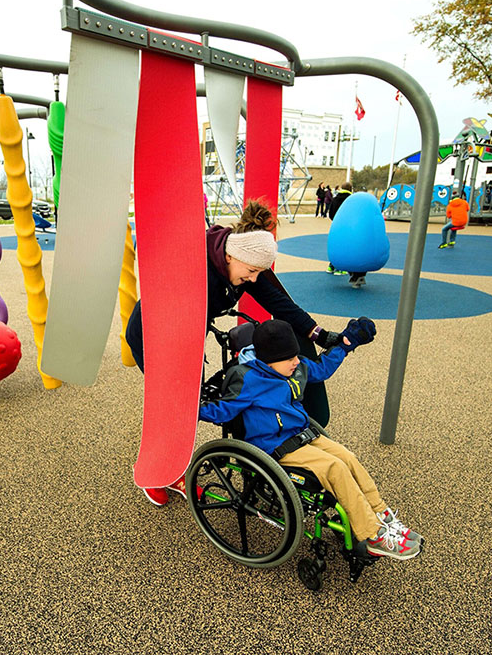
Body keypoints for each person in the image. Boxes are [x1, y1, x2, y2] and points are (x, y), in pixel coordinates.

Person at [126, 200, 342, 506]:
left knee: (189, 403)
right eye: (251, 272)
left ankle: (175, 464)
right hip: (155, 338)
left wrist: (317, 333)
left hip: (188, 338)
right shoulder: (195, 265)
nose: (253, 279)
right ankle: (155, 471)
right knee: (170, 405)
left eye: (258, 273)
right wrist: (177, 371)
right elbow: (164, 302)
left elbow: (280, 303)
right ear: (229, 256)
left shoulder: (244, 263)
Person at [199, 318, 422, 561]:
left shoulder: (294, 366)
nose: (297, 362)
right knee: (335, 468)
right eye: (290, 358)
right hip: (272, 446)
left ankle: (381, 514)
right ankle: (373, 534)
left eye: (296, 355)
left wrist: (346, 345)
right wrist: (190, 407)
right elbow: (223, 411)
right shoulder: (248, 379)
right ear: (268, 360)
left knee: (348, 457)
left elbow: (322, 368)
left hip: (302, 433)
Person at [326, 182, 365, 286]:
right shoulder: (351, 200)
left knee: (336, 245)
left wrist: (335, 220)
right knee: (346, 246)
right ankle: (341, 268)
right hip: (348, 227)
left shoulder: (335, 198)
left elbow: (330, 213)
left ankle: (332, 266)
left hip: (336, 226)